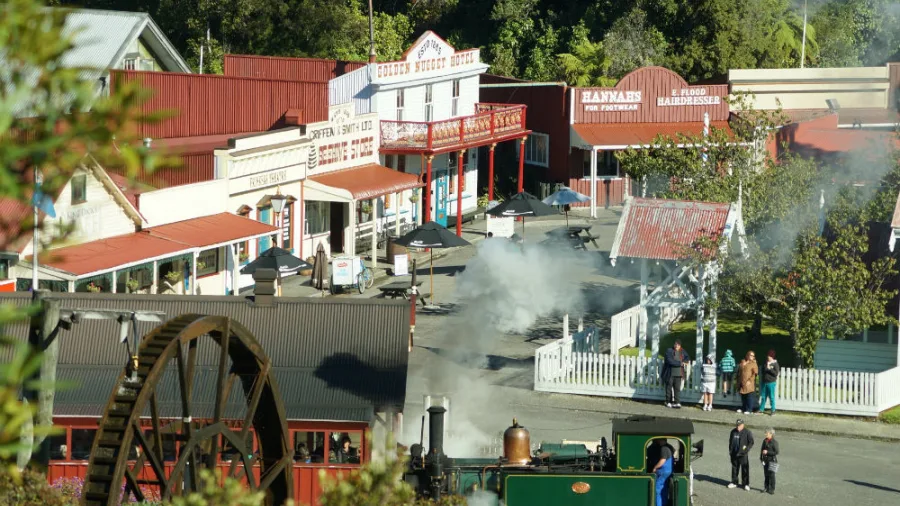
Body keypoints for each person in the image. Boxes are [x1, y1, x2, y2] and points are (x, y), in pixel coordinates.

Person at [727, 419, 754, 491]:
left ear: (743, 425)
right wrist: (730, 451)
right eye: (737, 425)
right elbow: (730, 441)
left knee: (745, 469)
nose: (738, 427)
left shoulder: (747, 432)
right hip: (734, 454)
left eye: (739, 425)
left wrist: (746, 450)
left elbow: (751, 442)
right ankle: (734, 482)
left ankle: (745, 484)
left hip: (743, 454)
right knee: (734, 468)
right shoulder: (733, 432)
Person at [662, 340, 690, 408]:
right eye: (676, 344)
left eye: (678, 345)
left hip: (679, 373)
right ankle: (668, 401)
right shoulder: (669, 350)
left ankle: (677, 402)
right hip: (670, 373)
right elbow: (669, 360)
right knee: (669, 388)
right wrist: (680, 363)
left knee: (677, 389)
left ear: (680, 346)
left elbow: (687, 358)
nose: (677, 346)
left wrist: (684, 361)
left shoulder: (682, 351)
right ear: (674, 344)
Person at [651, 438, 674, 506]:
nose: (658, 442)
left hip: (663, 471)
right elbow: (675, 451)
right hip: (668, 470)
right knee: (664, 489)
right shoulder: (669, 446)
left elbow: (662, 460)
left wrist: (655, 467)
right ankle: (664, 503)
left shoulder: (663, 448)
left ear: (661, 440)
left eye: (658, 440)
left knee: (657, 490)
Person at [758, 350, 780, 415]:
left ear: (772, 357)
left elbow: (775, 373)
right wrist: (766, 368)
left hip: (771, 382)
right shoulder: (765, 363)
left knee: (771, 397)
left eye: (769, 356)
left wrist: (769, 369)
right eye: (768, 356)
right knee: (763, 396)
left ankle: (773, 410)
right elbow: (763, 370)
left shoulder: (775, 364)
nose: (768, 357)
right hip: (764, 382)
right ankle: (761, 409)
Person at [760, 428, 779, 495]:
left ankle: (772, 489)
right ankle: (766, 487)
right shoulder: (764, 441)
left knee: (772, 475)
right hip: (765, 460)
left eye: (767, 433)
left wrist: (767, 452)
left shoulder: (774, 442)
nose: (765, 434)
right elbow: (762, 450)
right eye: (765, 433)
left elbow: (776, 452)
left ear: (771, 434)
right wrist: (761, 458)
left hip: (773, 461)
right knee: (766, 475)